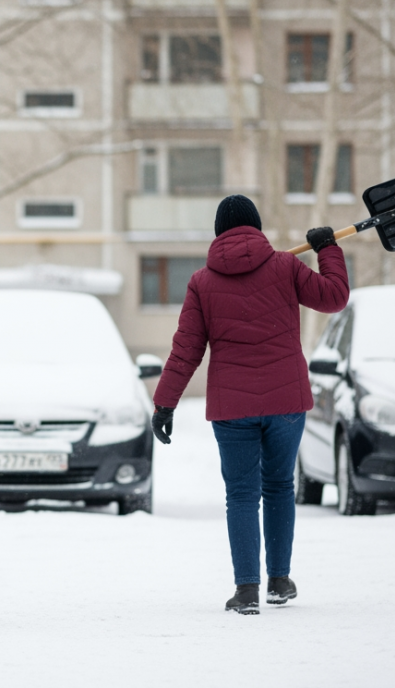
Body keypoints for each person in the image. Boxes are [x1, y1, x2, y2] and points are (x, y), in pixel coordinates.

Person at [150, 194, 349, 615]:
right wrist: (327, 249)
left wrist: (165, 404)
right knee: (279, 486)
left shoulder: (202, 282)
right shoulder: (286, 266)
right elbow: (334, 296)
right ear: (256, 228)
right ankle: (279, 580)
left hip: (232, 407)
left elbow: (186, 350)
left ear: (219, 233)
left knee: (241, 495)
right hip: (285, 401)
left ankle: (246, 591)